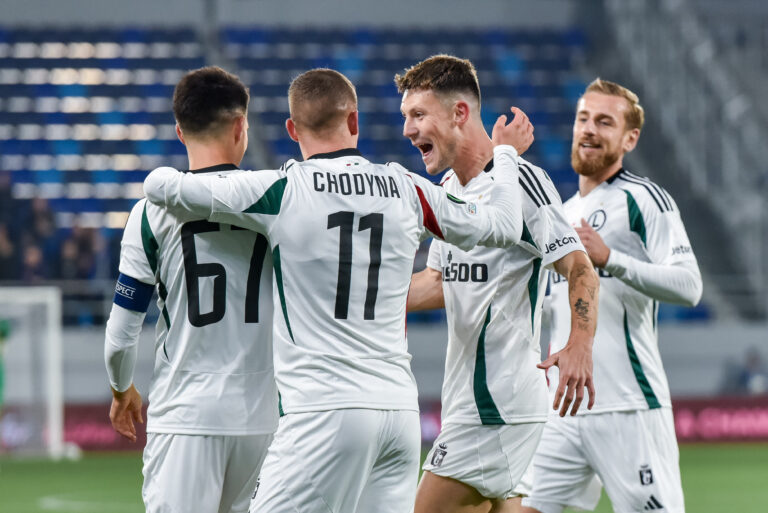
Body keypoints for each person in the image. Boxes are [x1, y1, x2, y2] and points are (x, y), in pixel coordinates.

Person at [142, 68, 533, 513]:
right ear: (354, 121)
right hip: (398, 415)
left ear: (292, 130)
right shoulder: (407, 188)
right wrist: (505, 155)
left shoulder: (283, 189)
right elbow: (504, 225)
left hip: (323, 411)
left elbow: (162, 187)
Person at [398, 55, 598, 513]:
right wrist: (357, 299)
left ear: (459, 113)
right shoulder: (449, 190)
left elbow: (580, 269)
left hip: (497, 404)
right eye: (406, 117)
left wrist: (580, 344)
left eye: (418, 115)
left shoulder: (522, 182)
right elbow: (438, 281)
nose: (408, 130)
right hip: (473, 403)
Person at [521, 79, 703, 513]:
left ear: (630, 139)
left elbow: (690, 286)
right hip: (561, 409)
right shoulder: (562, 213)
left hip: (628, 406)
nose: (589, 129)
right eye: (583, 118)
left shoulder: (644, 199)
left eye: (604, 122)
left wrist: (611, 259)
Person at [104, 66, 278, 513]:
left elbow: (121, 335)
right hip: (264, 419)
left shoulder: (150, 212)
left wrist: (122, 389)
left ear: (180, 131)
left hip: (186, 414)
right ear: (241, 126)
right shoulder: (280, 202)